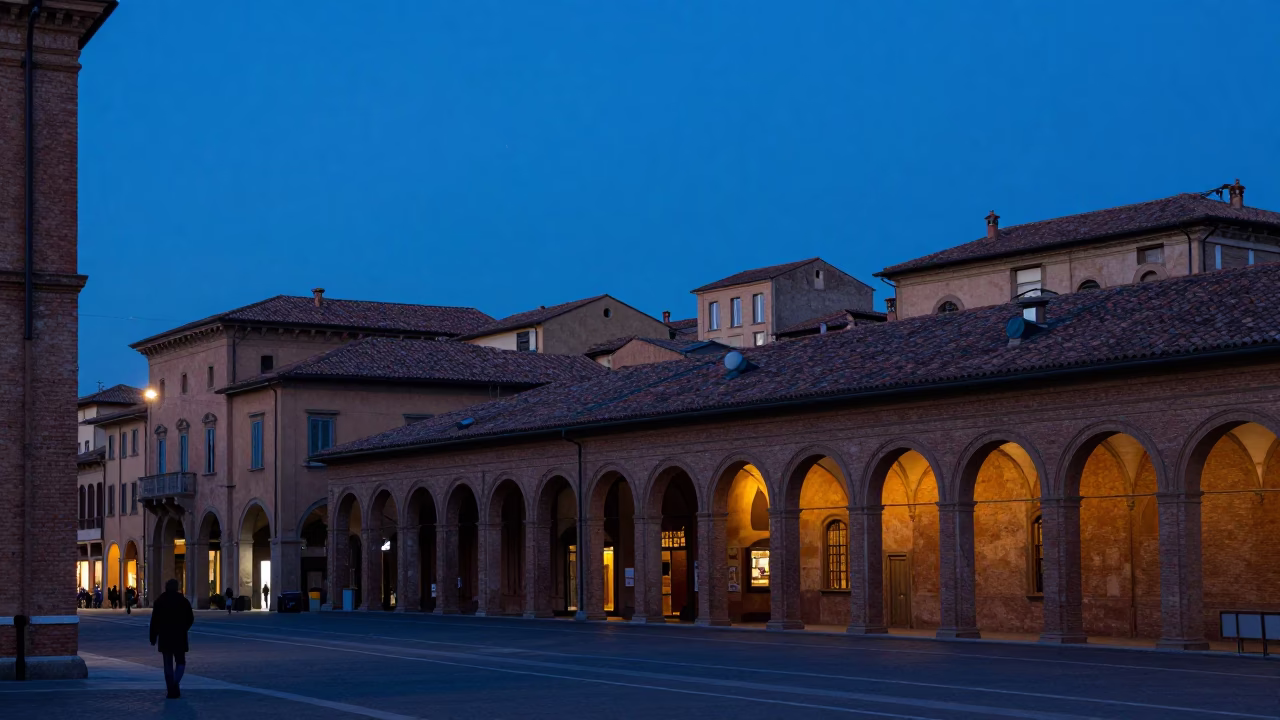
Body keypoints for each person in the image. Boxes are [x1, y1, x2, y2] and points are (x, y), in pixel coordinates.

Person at [150, 578, 194, 699]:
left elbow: (154, 621)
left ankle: (171, 688)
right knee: (181, 662)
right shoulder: (183, 601)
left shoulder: (160, 601)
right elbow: (190, 618)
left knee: (167, 664)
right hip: (179, 636)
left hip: (165, 637)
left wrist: (153, 636)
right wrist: (184, 628)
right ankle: (175, 683)